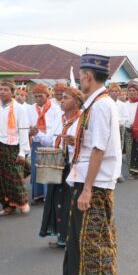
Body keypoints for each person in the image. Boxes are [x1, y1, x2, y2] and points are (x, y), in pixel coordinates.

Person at [63, 54, 121, 275]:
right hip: (91, 179)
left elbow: (98, 149)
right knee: (88, 238)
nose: (80, 79)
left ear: (87, 75)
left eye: (81, 74)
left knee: (95, 239)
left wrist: (87, 189)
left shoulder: (100, 106)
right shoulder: (96, 103)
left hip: (95, 184)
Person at [38, 86, 84, 248]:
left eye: (66, 98)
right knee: (55, 200)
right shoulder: (60, 119)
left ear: (76, 102)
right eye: (61, 97)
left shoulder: (81, 120)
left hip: (72, 166)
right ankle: (61, 236)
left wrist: (76, 142)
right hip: (56, 163)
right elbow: (50, 140)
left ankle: (72, 238)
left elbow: (89, 145)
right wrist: (36, 133)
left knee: (69, 201)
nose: (61, 100)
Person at [0, 81, 32, 215]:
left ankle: (22, 202)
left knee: (15, 176)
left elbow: (24, 130)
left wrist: (22, 152)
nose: (2, 92)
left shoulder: (20, 108)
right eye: (1, 89)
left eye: (5, 89)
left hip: (14, 146)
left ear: (12, 93)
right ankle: (7, 205)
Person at [28, 84, 62, 203]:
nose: (38, 98)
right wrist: (31, 131)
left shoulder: (55, 108)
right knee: (36, 169)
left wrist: (41, 133)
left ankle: (50, 196)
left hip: (50, 142)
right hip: (36, 142)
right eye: (36, 96)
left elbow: (56, 127)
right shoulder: (31, 108)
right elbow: (28, 124)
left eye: (40, 96)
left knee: (48, 169)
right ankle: (38, 195)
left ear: (47, 95)